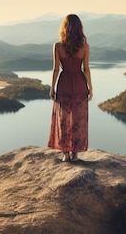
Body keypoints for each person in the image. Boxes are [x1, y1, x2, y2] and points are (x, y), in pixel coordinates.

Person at [48, 14, 93, 162]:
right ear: (79, 28)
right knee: (79, 121)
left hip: (64, 84)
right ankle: (75, 153)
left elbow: (56, 69)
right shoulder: (85, 46)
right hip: (80, 84)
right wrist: (90, 87)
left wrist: (52, 87)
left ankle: (65, 153)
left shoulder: (58, 46)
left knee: (63, 120)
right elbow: (86, 69)